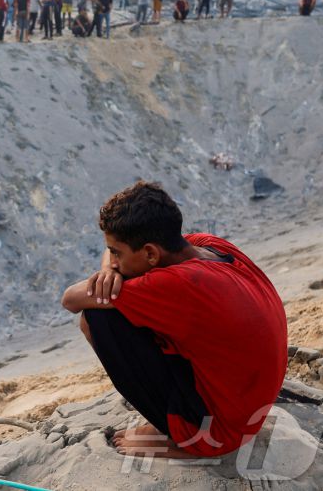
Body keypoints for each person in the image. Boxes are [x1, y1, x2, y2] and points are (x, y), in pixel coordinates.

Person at [60, 181, 286, 459]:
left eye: (118, 253)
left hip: (218, 434)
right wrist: (111, 269)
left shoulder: (176, 284)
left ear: (151, 254)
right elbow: (113, 253)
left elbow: (71, 299)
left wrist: (109, 276)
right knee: (117, 303)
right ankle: (182, 420)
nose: (113, 260)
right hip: (248, 408)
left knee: (97, 316)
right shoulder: (209, 245)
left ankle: (183, 440)